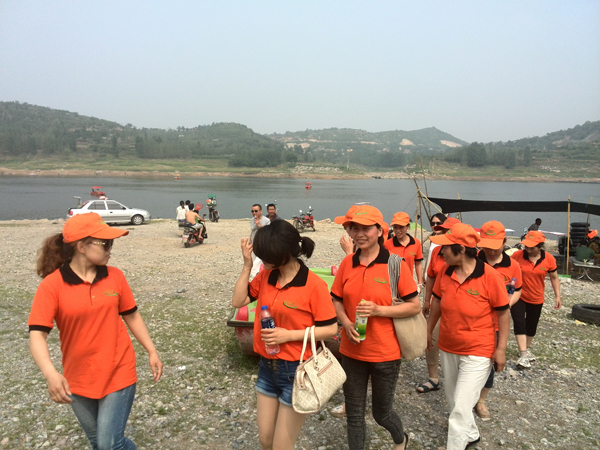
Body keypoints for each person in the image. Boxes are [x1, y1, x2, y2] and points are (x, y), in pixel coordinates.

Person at [28, 212, 163, 450]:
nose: (110, 249)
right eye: (105, 243)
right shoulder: (52, 285)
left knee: (110, 445)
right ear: (81, 246)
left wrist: (151, 351)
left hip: (118, 370)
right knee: (98, 444)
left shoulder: (115, 276)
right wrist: (50, 374)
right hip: (78, 378)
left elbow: (131, 315)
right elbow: (37, 334)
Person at [231, 220, 337, 450]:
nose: (261, 259)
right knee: (265, 440)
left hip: (297, 372)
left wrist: (287, 335)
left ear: (282, 254)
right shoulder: (266, 276)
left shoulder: (314, 285)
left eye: (265, 255)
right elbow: (238, 301)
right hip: (267, 367)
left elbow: (330, 329)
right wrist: (247, 266)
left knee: (282, 446)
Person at [331, 205, 420, 450]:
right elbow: (336, 298)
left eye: (366, 228)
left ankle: (401, 439)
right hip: (351, 352)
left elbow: (414, 306)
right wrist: (346, 322)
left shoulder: (395, 264)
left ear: (380, 231)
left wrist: (380, 310)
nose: (359, 234)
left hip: (385, 354)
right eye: (354, 228)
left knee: (382, 414)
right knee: (354, 415)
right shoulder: (347, 262)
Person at [428, 222, 510, 450]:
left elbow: (504, 314)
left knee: (461, 407)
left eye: (446, 247)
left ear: (462, 249)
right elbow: (437, 303)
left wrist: (501, 349)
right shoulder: (445, 272)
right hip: (448, 345)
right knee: (454, 400)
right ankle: (471, 435)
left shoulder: (490, 277)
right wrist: (428, 331)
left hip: (479, 349)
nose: (442, 252)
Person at [475, 220, 523, 420]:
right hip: (471, 321)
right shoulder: (473, 260)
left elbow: (517, 289)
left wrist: (507, 304)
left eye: (496, 246)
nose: (491, 251)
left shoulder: (513, 266)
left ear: (504, 242)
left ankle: (481, 400)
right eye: (487, 246)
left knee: (490, 361)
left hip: (495, 323)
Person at [417, 216, 460, 394]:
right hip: (438, 302)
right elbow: (431, 277)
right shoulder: (437, 251)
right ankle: (433, 378)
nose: (440, 231)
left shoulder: (466, 256)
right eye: (441, 229)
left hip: (458, 308)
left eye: (445, 230)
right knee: (432, 337)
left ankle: (460, 381)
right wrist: (427, 300)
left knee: (456, 341)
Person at [510, 230, 561, 369]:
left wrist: (557, 296)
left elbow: (554, 278)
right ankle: (523, 353)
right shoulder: (517, 256)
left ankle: (526, 349)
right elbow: (511, 275)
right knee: (519, 322)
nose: (528, 250)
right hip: (519, 295)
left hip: (537, 297)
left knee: (531, 326)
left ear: (540, 246)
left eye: (532, 247)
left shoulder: (549, 259)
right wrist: (509, 293)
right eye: (526, 246)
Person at [384, 212, 424, 289]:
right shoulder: (387, 244)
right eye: (395, 227)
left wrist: (420, 282)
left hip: (408, 283)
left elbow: (418, 263)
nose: (398, 230)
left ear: (408, 227)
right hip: (392, 284)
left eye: (401, 227)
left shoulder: (416, 243)